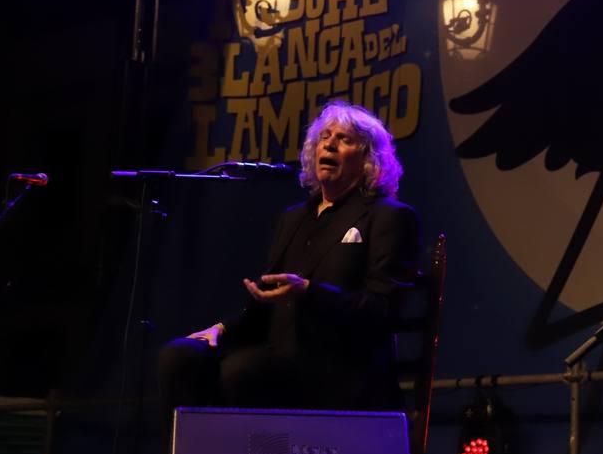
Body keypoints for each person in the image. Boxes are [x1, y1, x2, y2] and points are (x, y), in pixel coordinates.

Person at [156, 100, 421, 417]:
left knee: (242, 371)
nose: (330, 144)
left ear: (368, 158)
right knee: (180, 356)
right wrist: (222, 329)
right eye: (325, 137)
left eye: (345, 139)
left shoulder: (389, 216)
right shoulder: (293, 219)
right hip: (279, 356)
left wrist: (309, 292)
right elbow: (268, 307)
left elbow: (383, 309)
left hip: (340, 369)